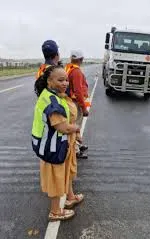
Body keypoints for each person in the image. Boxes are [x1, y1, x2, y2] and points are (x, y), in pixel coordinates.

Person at [32, 65, 84, 221]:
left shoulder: (56, 94)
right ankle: (55, 212)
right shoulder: (51, 100)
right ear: (49, 81)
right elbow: (62, 127)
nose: (65, 83)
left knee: (67, 169)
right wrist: (75, 128)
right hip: (52, 146)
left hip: (62, 143)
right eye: (60, 80)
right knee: (56, 177)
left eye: (66, 80)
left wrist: (74, 134)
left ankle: (70, 197)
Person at [65, 50, 89, 159]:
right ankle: (75, 150)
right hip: (75, 103)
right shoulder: (76, 72)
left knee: (74, 125)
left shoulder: (69, 68)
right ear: (81, 59)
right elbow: (78, 91)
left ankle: (77, 145)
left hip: (70, 101)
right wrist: (84, 108)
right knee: (75, 126)